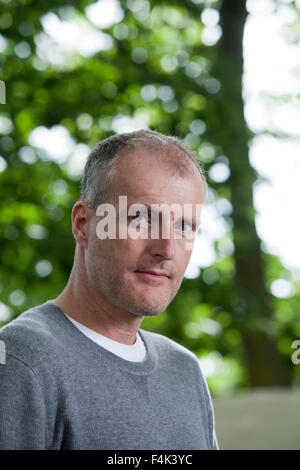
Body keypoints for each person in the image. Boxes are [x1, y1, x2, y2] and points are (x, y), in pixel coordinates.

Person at [0, 129, 219, 450]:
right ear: (83, 225)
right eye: (141, 218)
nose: (167, 248)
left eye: (183, 226)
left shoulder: (184, 371)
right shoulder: (22, 362)